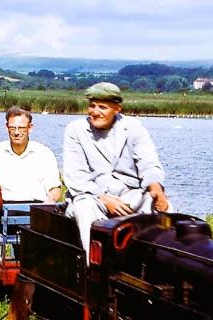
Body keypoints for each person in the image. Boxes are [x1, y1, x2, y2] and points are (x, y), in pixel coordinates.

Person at [62, 82, 171, 256]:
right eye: (92, 106)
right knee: (84, 209)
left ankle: (162, 260)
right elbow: (76, 177)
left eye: (102, 107)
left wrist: (156, 188)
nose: (95, 112)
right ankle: (94, 269)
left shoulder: (134, 127)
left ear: (117, 108)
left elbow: (148, 161)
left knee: (164, 208)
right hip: (92, 196)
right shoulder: (75, 130)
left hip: (129, 194)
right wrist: (104, 199)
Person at [0, 106, 62, 203]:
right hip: (2, 207)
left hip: (36, 207)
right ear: (6, 127)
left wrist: (49, 201)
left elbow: (55, 188)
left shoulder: (44, 154)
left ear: (30, 128)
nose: (16, 132)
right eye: (12, 128)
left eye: (21, 128)